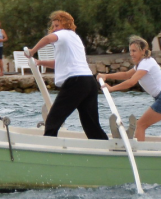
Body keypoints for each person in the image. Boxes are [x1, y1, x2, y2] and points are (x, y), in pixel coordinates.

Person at [27, 11, 108, 140]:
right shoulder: (75, 38)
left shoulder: (63, 34)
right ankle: (104, 146)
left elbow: (47, 39)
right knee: (90, 123)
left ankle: (48, 146)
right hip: (89, 82)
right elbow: (60, 63)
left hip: (76, 82)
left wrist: (32, 51)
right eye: (53, 26)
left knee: (53, 118)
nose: (54, 29)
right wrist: (40, 62)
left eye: (57, 25)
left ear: (65, 24)